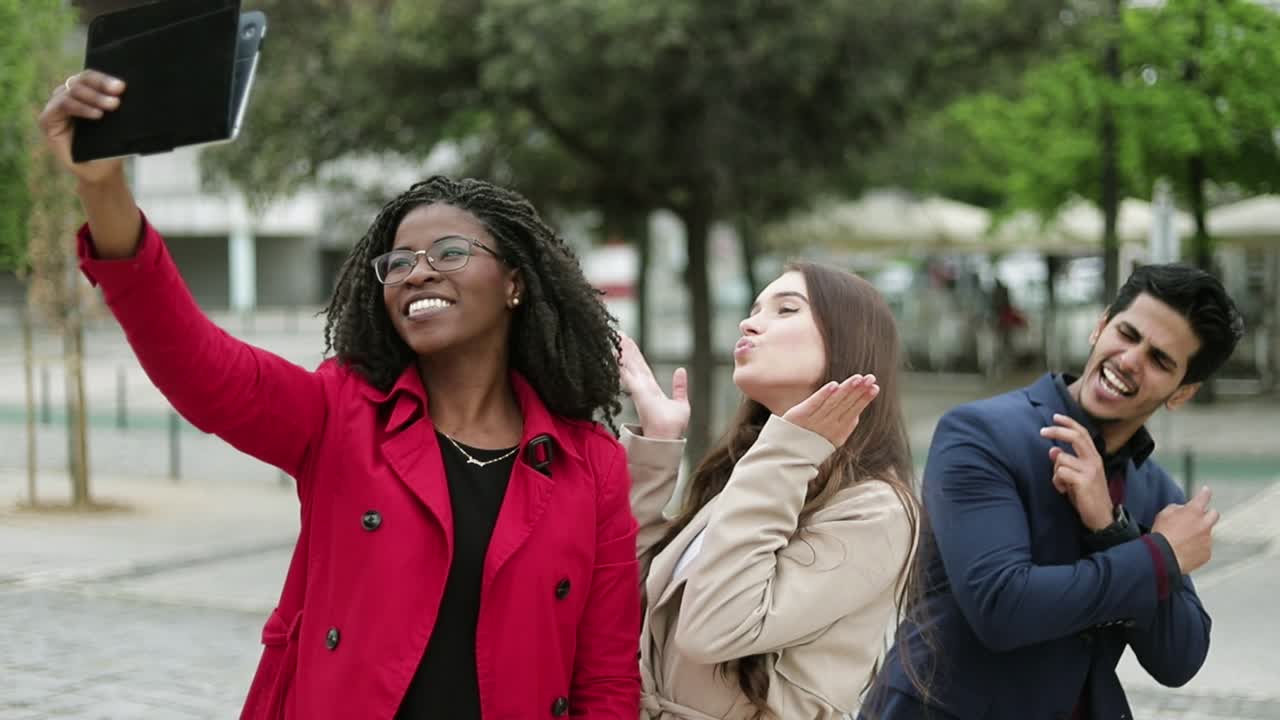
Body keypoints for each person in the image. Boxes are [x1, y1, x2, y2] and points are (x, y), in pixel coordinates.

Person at [41, 70, 641, 719]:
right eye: (398, 261)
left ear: (514, 283)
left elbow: (605, 682)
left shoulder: (591, 466)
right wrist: (101, 187)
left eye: (448, 250)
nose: (418, 271)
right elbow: (201, 369)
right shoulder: (342, 413)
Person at [862, 263, 1245, 719]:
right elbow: (1002, 607)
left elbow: (1179, 659)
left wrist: (1112, 529)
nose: (1129, 360)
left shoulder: (1157, 489)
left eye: (1160, 360)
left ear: (1182, 392)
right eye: (1126, 334)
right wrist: (1157, 556)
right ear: (1100, 326)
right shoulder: (981, 434)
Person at [618, 262, 927, 719]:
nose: (749, 322)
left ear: (846, 340)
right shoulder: (759, 472)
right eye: (754, 308)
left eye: (786, 309)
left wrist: (785, 452)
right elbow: (635, 597)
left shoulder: (876, 508)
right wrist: (656, 449)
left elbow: (711, 630)